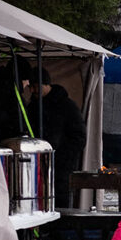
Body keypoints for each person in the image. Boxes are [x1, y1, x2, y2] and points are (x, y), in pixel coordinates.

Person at [26, 68, 87, 208]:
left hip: (61, 167)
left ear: (46, 84)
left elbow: (79, 137)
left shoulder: (66, 106)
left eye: (36, 86)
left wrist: (62, 157)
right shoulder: (33, 106)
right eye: (31, 87)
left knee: (59, 201)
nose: (33, 90)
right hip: (37, 164)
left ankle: (60, 228)